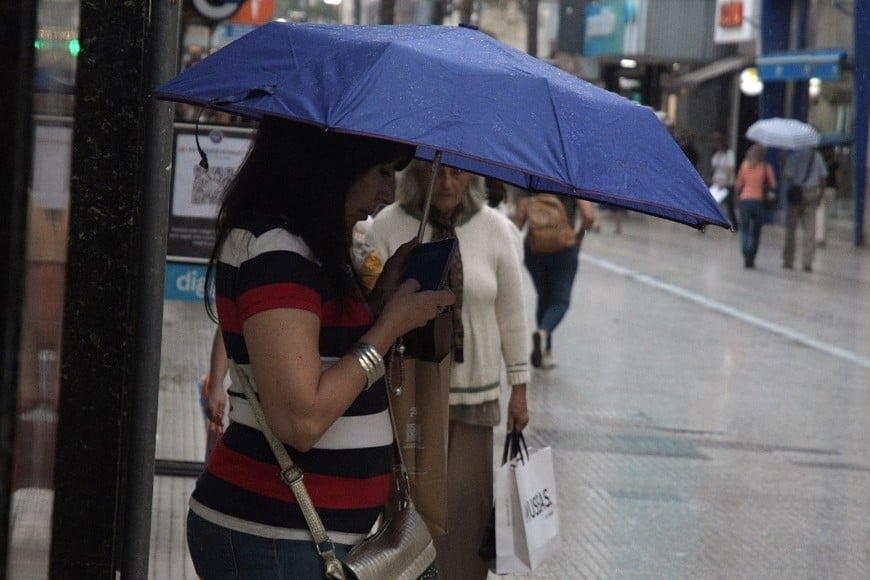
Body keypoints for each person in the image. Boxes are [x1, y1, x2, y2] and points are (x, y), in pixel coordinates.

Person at [185, 117, 455, 579]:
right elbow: (301, 420)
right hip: (274, 536)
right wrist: (390, 325)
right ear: (332, 163)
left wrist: (380, 301)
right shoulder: (277, 250)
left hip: (295, 537)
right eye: (381, 171)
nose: (389, 193)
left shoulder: (305, 246)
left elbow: (322, 356)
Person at [366, 160, 530, 580]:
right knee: (412, 513)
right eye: (436, 172)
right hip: (410, 396)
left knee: (467, 514)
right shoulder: (387, 226)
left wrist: (519, 387)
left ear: (471, 178)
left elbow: (512, 312)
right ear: (415, 175)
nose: (447, 182)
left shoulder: (496, 229)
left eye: (458, 173)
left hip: (474, 397)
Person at [514, 193, 596, 368]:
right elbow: (589, 217)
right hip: (564, 249)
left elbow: (519, 219)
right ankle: (543, 335)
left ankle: (546, 351)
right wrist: (579, 237)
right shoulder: (572, 182)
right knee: (560, 301)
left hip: (535, 249)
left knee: (544, 299)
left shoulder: (533, 181)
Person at [782, 146, 827, 272]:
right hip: (811, 193)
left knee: (791, 229)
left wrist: (783, 163)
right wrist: (820, 195)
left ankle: (788, 260)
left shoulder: (794, 156)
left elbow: (788, 176)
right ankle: (807, 262)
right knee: (810, 229)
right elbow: (823, 177)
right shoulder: (817, 157)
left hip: (796, 194)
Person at [734, 144, 777, 269]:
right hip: (758, 202)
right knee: (756, 231)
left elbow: (738, 184)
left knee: (745, 229)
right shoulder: (766, 167)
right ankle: (752, 255)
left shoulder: (744, 165)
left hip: (745, 200)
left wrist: (737, 198)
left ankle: (746, 252)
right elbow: (773, 185)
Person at [709, 131, 738, 231]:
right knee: (712, 203)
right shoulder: (717, 154)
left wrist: (725, 181)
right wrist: (711, 179)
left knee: (729, 206)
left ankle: (735, 225)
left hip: (727, 183)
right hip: (717, 182)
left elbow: (730, 168)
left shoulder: (729, 154)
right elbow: (714, 168)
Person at [816, 145, 839, 247]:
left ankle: (819, 237)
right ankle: (823, 237)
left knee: (820, 213)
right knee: (826, 214)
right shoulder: (836, 163)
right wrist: (838, 188)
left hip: (820, 188)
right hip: (831, 189)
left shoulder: (820, 161)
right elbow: (838, 177)